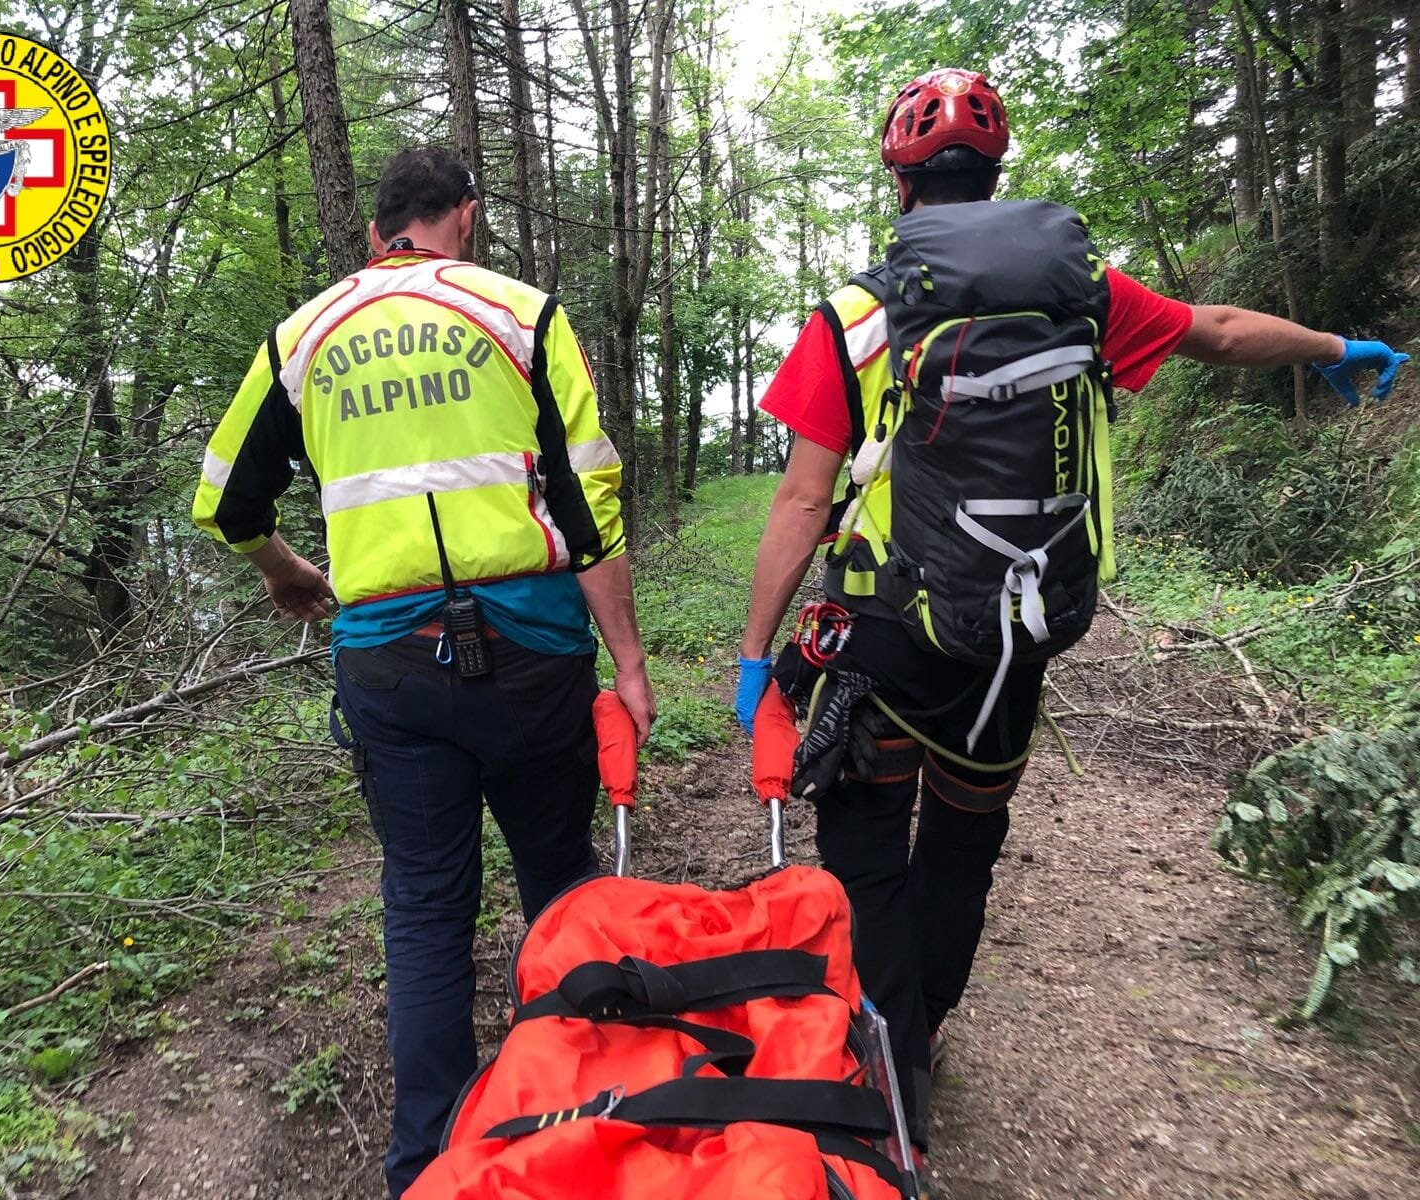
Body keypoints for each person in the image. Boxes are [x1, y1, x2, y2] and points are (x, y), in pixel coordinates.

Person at [734, 68, 1407, 1175]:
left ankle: (886, 1068)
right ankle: (927, 1034)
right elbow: (1225, 331)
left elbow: (804, 500)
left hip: (886, 630)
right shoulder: (1081, 292)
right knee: (964, 839)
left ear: (899, 183)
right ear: (997, 176)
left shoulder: (856, 314)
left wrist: (756, 658)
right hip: (1019, 629)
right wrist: (1340, 350)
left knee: (865, 847)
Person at [192, 147, 655, 1197]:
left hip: (388, 664)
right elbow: (588, 508)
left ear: (375, 234)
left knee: (427, 905)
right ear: (468, 218)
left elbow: (226, 501)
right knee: (558, 880)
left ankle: (428, 1168)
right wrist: (627, 663)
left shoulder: (301, 334)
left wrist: (283, 571)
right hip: (533, 650)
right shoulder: (523, 314)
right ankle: (578, 1123)